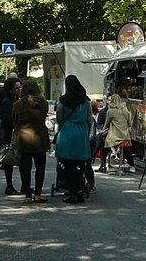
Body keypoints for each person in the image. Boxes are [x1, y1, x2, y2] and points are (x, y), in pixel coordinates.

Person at [55, 74, 92, 204]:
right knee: (81, 164)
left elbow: (59, 118)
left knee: (68, 165)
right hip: (82, 134)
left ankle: (72, 193)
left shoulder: (63, 101)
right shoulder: (86, 102)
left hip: (67, 134)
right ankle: (81, 190)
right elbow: (89, 119)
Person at [12, 79, 50, 203]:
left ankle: (27, 194)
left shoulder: (18, 104)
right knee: (40, 168)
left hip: (24, 140)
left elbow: (15, 120)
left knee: (25, 169)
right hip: (40, 139)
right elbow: (44, 116)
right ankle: (38, 193)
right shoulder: (43, 102)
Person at [0, 73, 21, 195]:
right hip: (8, 133)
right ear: (10, 89)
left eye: (20, 87)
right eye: (17, 88)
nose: (19, 90)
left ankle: (14, 186)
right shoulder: (7, 101)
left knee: (14, 159)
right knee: (9, 159)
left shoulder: (14, 100)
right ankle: (9, 186)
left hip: (11, 132)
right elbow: (7, 118)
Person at [103, 93, 134, 173]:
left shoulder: (110, 111)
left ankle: (103, 164)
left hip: (115, 138)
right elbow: (129, 124)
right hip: (126, 137)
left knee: (101, 142)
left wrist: (102, 133)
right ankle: (131, 165)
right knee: (126, 148)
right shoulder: (126, 110)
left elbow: (106, 125)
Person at [96, 94, 111, 173]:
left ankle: (93, 156)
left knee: (101, 139)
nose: (110, 102)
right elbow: (98, 123)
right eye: (109, 100)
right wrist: (100, 129)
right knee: (101, 140)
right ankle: (103, 165)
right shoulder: (102, 112)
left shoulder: (115, 112)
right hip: (106, 133)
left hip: (114, 134)